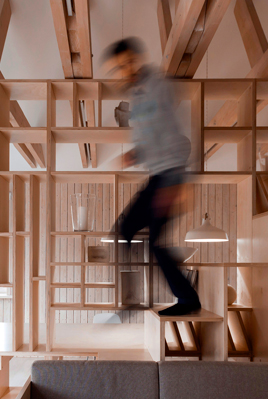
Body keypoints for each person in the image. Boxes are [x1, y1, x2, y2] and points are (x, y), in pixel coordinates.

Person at [103, 38, 200, 316]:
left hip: (169, 175)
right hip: (157, 174)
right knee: (125, 232)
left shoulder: (158, 86)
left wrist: (176, 183)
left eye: (128, 63)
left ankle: (186, 299)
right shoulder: (137, 97)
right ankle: (134, 299)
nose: (125, 70)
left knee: (154, 242)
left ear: (137, 60)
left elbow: (174, 133)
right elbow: (151, 140)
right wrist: (135, 154)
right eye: (119, 67)